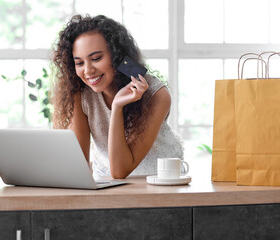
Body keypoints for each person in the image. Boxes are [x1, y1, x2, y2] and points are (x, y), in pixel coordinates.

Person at [52, 14, 183, 179]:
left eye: (96, 58)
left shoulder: (157, 94)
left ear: (117, 56)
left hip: (161, 181)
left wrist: (117, 107)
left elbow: (120, 170)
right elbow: (78, 165)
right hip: (108, 183)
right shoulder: (80, 93)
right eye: (79, 63)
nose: (88, 70)